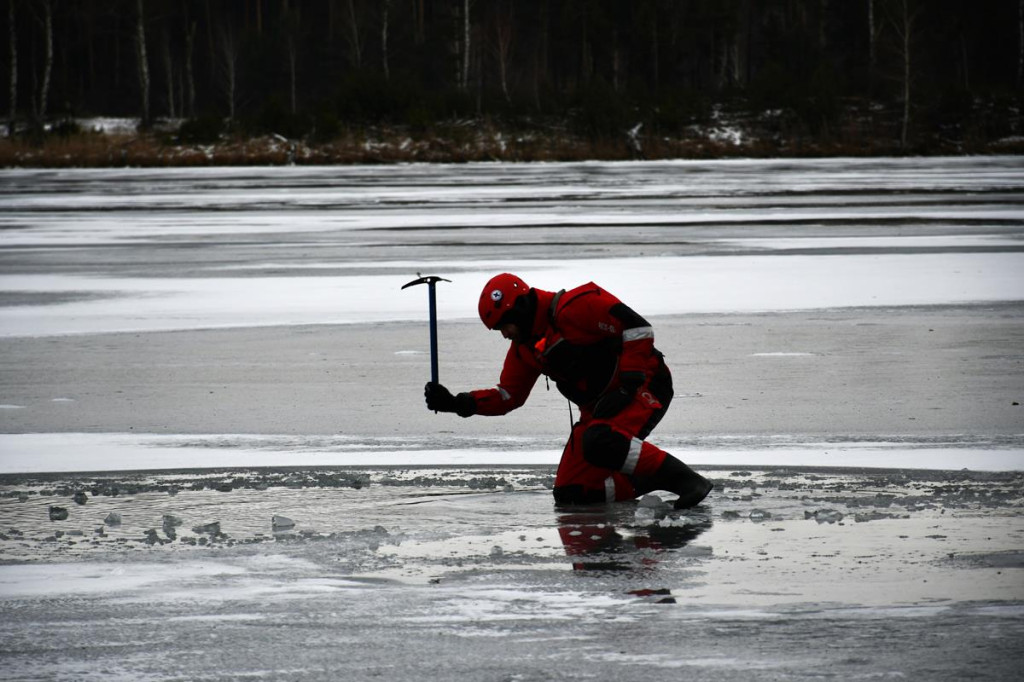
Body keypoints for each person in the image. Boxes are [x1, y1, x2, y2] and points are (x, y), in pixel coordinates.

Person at [423, 273, 713, 508]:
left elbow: (638, 329)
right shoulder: (525, 349)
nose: (504, 334)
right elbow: (508, 397)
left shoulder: (577, 305)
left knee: (600, 441)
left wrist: (627, 386)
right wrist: (457, 403)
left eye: (505, 325)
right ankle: (647, 480)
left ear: (521, 307)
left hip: (646, 385)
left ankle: (688, 481)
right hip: (600, 409)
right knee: (572, 492)